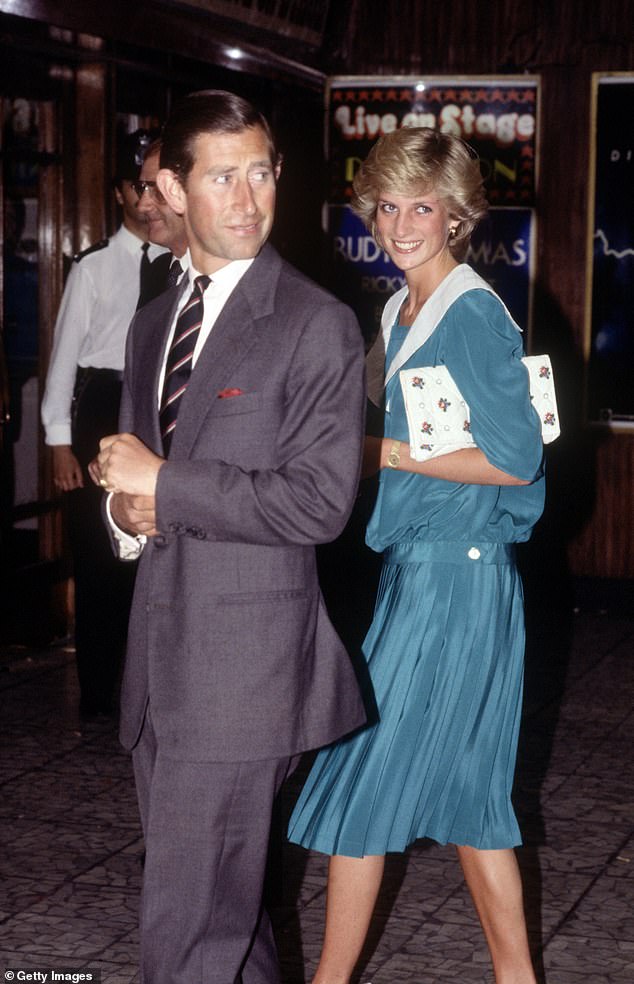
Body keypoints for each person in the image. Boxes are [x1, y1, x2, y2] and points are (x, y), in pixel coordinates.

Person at [90, 90, 367, 984]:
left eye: (261, 173)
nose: (248, 200)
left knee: (188, 935)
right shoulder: (149, 324)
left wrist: (165, 487)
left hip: (245, 677)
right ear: (170, 186)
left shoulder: (314, 324)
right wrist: (127, 514)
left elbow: (319, 503)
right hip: (158, 670)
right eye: (221, 177)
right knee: (228, 926)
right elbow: (137, 482)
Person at [287, 126, 545, 984]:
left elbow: (515, 457)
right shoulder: (402, 310)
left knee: (363, 781)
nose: (400, 225)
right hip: (420, 572)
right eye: (388, 206)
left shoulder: (468, 313)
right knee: (471, 801)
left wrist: (384, 454)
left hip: (458, 579)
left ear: (457, 214)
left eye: (420, 207)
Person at [40, 128, 169, 717]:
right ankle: (95, 695)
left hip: (158, 408)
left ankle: (150, 693)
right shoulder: (93, 267)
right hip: (100, 406)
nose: (148, 202)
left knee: (153, 553)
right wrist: (58, 444)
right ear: (120, 193)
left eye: (156, 189)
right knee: (98, 559)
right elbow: (63, 359)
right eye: (136, 188)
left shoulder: (182, 266)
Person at [132, 138, 189, 283]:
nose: (142, 206)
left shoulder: (226, 276)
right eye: (141, 188)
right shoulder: (156, 273)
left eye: (158, 190)